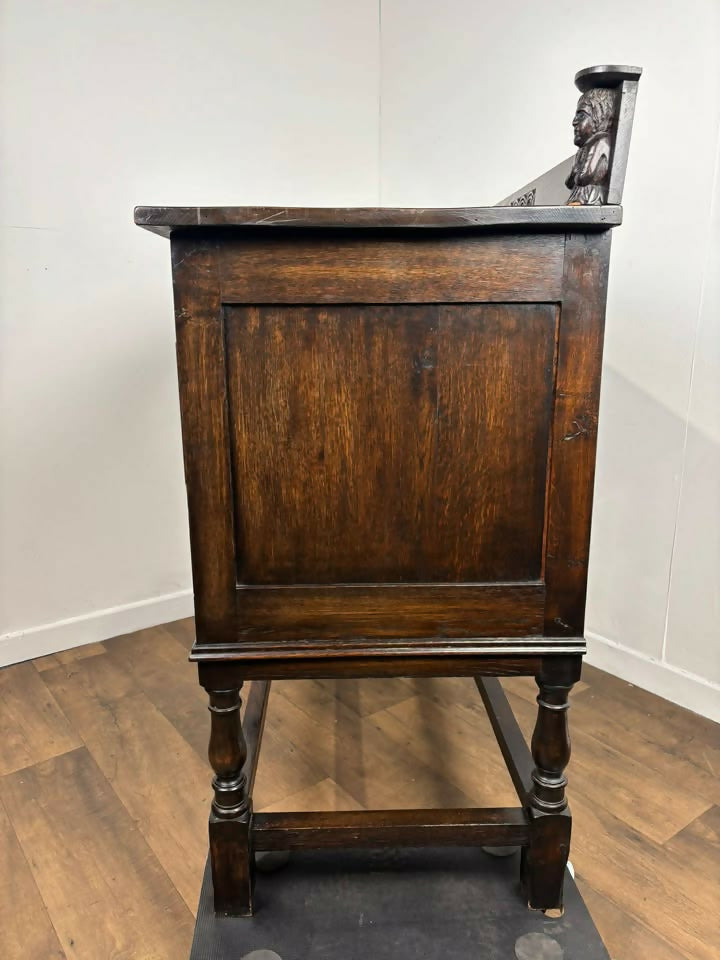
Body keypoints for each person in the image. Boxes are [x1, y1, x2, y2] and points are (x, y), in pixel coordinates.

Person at [565, 88, 615, 205]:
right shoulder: (583, 149)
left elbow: (584, 177)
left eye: (581, 116)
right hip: (578, 199)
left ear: (598, 118)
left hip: (590, 199)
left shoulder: (601, 142)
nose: (574, 122)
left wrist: (576, 172)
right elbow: (569, 183)